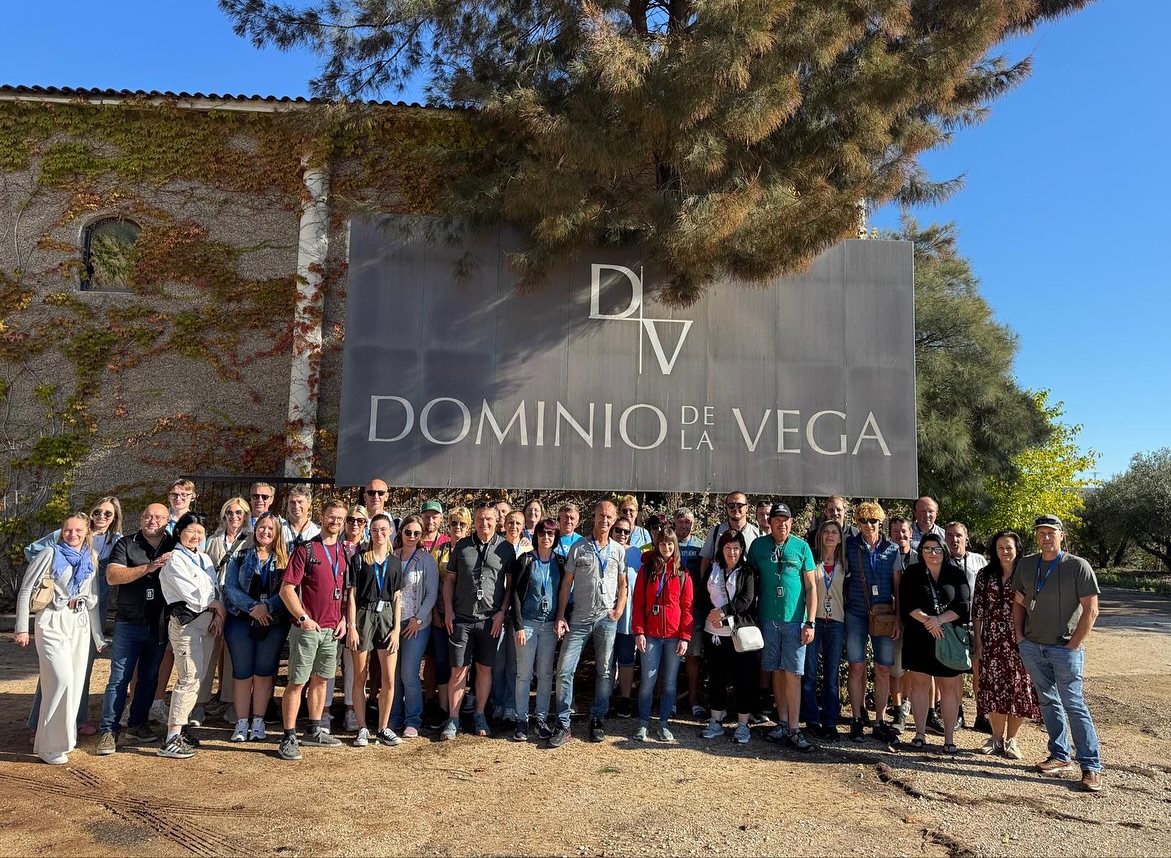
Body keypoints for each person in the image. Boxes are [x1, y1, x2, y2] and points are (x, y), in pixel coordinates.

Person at [1012, 514, 1103, 792]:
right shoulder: (1026, 565)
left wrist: (1074, 643)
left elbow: (1092, 610)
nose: (1046, 537)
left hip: (1065, 648)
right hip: (1033, 646)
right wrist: (1020, 637)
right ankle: (1060, 755)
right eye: (1041, 533)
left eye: (1051, 533)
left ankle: (1091, 767)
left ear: (1061, 536)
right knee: (1048, 701)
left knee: (1074, 705)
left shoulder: (1078, 566)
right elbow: (1018, 602)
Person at [24, 496, 123, 739]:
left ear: (115, 519)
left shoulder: (116, 541)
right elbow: (32, 551)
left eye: (108, 514)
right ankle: (39, 720)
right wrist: (48, 577)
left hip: (92, 606)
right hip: (60, 606)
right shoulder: (69, 532)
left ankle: (77, 719)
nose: (101, 517)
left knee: (83, 666)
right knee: (55, 668)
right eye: (97, 512)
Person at [15, 512, 105, 765]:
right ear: (61, 531)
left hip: (79, 624)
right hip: (52, 620)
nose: (72, 535)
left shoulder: (91, 557)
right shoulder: (49, 554)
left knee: (74, 685)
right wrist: (22, 627)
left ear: (86, 532)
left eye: (78, 531)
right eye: (68, 530)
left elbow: (93, 599)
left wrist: (97, 636)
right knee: (60, 680)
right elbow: (25, 590)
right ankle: (50, 744)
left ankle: (57, 741)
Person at [549, 501, 628, 747]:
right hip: (579, 618)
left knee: (604, 671)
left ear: (614, 519)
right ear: (593, 516)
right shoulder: (578, 547)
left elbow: (623, 583)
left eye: (609, 516)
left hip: (606, 619)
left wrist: (618, 610)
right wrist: (561, 615)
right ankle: (563, 723)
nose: (604, 520)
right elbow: (566, 584)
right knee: (564, 670)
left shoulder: (618, 550)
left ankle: (597, 719)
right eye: (601, 515)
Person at [97, 503, 172, 755]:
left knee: (150, 678)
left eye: (158, 517)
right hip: (128, 622)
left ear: (167, 520)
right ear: (141, 518)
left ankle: (138, 725)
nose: (152, 521)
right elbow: (113, 576)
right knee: (119, 679)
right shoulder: (126, 543)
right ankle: (109, 730)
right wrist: (148, 568)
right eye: (148, 516)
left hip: (159, 623)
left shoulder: (174, 545)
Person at [277, 499, 350, 760]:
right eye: (331, 517)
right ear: (322, 516)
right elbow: (286, 589)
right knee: (297, 682)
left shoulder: (344, 551)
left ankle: (314, 730)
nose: (335, 522)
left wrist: (344, 619)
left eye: (340, 519)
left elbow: (345, 593)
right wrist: (303, 618)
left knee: (321, 681)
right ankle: (288, 736)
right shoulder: (306, 550)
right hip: (308, 629)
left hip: (332, 631)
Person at [441, 503, 515, 739]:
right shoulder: (462, 546)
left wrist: (502, 611)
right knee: (458, 670)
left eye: (489, 520)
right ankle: (453, 719)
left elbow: (510, 585)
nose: (485, 524)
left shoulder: (505, 548)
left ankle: (479, 714)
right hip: (462, 618)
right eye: (480, 520)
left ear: (497, 522)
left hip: (489, 619)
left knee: (484, 668)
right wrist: (449, 611)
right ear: (474, 522)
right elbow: (450, 581)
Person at [748, 503, 817, 752]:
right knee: (776, 670)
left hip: (795, 620)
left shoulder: (802, 547)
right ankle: (783, 722)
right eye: (776, 519)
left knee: (793, 673)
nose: (781, 524)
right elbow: (748, 577)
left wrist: (811, 621)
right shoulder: (758, 546)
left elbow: (811, 587)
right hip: (768, 618)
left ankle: (796, 728)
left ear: (792, 522)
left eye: (785, 520)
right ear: (770, 522)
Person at [158, 512, 226, 759]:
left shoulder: (204, 558)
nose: (196, 536)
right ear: (179, 532)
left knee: (198, 676)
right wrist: (217, 607)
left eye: (200, 532)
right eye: (191, 531)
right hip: (186, 623)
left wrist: (218, 615)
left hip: (207, 623)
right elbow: (194, 596)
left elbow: (214, 588)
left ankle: (182, 727)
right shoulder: (173, 559)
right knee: (188, 677)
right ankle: (171, 737)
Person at [900, 532, 971, 754]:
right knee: (919, 686)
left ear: (944, 551)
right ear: (921, 552)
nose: (932, 553)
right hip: (919, 636)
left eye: (937, 549)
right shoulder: (912, 572)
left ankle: (949, 738)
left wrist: (938, 620)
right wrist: (928, 622)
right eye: (927, 549)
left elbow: (963, 605)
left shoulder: (955, 573)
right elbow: (906, 602)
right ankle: (919, 734)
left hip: (948, 638)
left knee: (949, 689)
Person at [223, 511, 290, 742]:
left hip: (273, 623)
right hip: (241, 620)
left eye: (271, 528)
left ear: (277, 532)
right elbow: (230, 588)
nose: (266, 532)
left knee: (263, 673)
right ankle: (242, 723)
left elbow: (288, 590)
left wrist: (267, 608)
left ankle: (258, 721)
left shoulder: (285, 559)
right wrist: (254, 607)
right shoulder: (240, 555)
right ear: (255, 529)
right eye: (262, 527)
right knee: (242, 673)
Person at [973, 530, 1040, 760]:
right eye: (1000, 547)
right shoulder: (985, 574)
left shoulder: (1028, 574)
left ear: (1017, 549)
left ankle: (1012, 740)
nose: (1004, 551)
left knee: (1019, 688)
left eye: (1008, 547)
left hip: (1020, 638)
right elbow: (978, 609)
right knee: (994, 688)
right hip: (992, 640)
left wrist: (1028, 602)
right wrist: (979, 639)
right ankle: (995, 738)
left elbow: (1039, 603)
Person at [843, 501, 902, 744]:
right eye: (863, 521)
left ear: (881, 522)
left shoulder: (893, 549)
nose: (868, 525)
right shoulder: (849, 545)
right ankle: (857, 718)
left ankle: (879, 720)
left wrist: (899, 618)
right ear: (857, 523)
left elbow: (898, 587)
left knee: (883, 668)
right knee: (856, 666)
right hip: (856, 612)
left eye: (873, 521)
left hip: (885, 615)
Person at [346, 513, 404, 747]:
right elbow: (351, 595)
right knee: (360, 676)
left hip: (388, 618)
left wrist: (397, 628)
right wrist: (351, 625)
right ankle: (362, 728)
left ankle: (383, 727)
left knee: (389, 678)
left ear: (390, 531)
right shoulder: (359, 560)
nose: (378, 534)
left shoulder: (396, 562)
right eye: (374, 530)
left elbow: (398, 597)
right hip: (363, 615)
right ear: (369, 532)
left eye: (383, 529)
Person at [697, 529, 759, 744]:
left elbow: (746, 599)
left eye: (736, 547)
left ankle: (742, 725)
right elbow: (703, 596)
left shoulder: (747, 571)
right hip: (713, 632)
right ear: (720, 549)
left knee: (743, 678)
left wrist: (723, 612)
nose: (732, 552)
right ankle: (715, 720)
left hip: (739, 633)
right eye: (727, 547)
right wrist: (711, 615)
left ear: (742, 549)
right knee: (717, 676)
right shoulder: (713, 570)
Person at [631, 526, 692, 742]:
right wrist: (638, 632)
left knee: (669, 682)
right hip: (651, 635)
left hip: (674, 636)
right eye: (663, 543)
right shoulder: (646, 570)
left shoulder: (683, 573)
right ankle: (643, 722)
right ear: (657, 545)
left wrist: (685, 636)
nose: (666, 547)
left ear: (675, 546)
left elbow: (687, 608)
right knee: (648, 680)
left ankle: (664, 722)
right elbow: (637, 604)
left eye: (670, 543)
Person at [510, 518, 563, 741]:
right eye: (542, 533)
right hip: (528, 625)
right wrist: (519, 626)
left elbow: (564, 594)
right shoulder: (525, 560)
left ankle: (540, 719)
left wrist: (562, 620)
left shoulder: (560, 561)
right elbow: (514, 594)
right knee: (523, 674)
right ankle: (521, 719)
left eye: (550, 534)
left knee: (544, 674)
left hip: (549, 625)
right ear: (536, 536)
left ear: (555, 537)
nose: (546, 538)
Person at [200, 496, 250, 725]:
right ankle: (200, 702)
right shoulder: (212, 541)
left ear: (246, 516)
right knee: (207, 654)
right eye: (230, 512)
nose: (234, 517)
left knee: (233, 655)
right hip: (214, 604)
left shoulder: (250, 541)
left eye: (239, 513)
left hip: (238, 606)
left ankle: (231, 701)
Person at [389, 515, 439, 738]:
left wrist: (417, 619)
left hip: (415, 625)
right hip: (392, 624)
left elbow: (431, 594)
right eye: (407, 532)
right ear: (400, 532)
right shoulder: (392, 556)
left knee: (409, 673)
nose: (411, 536)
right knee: (393, 674)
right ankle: (394, 717)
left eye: (416, 533)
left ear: (421, 536)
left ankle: (413, 719)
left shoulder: (426, 560)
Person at [800, 520, 847, 741]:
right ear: (820, 536)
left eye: (834, 532)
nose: (830, 536)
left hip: (836, 622)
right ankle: (811, 719)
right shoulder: (812, 560)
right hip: (814, 620)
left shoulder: (845, 564)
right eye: (826, 532)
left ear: (840, 537)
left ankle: (830, 721)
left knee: (831, 674)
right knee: (809, 672)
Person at [425, 506, 469, 728]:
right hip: (441, 616)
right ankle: (443, 709)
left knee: (460, 664)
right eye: (453, 523)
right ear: (448, 526)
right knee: (442, 661)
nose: (457, 528)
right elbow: (432, 586)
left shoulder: (472, 549)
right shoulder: (438, 551)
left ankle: (458, 711)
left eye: (462, 524)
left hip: (466, 617)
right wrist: (434, 613)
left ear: (468, 526)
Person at [490, 510, 527, 724]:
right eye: (510, 522)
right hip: (496, 611)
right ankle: (497, 703)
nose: (514, 526)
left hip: (517, 614)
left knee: (514, 663)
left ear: (523, 526)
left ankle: (511, 705)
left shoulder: (528, 549)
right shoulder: (497, 548)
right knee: (498, 662)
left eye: (518, 523)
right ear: (504, 524)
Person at [674, 507, 708, 720]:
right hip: (669, 609)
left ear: (693, 524)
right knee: (669, 657)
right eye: (680, 522)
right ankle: (668, 699)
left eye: (688, 522)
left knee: (693, 656)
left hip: (693, 609)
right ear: (674, 523)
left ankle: (694, 700)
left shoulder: (701, 547)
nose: (684, 525)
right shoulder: (668, 542)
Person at [887, 515, 917, 733]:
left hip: (918, 621)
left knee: (915, 667)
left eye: (903, 531)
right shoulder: (885, 557)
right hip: (893, 619)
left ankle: (909, 704)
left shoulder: (921, 558)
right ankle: (897, 710)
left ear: (911, 533)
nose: (900, 535)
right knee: (895, 667)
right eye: (895, 532)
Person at [609, 515, 642, 718]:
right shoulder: (605, 549)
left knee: (627, 659)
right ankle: (606, 698)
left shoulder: (637, 553)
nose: (622, 534)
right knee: (607, 660)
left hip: (628, 615)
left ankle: (625, 699)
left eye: (626, 531)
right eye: (618, 530)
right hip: (606, 614)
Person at [282, 484, 321, 549]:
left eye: (300, 502)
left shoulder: (318, 532)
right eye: (292, 502)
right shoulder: (279, 529)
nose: (296, 506)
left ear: (309, 503)